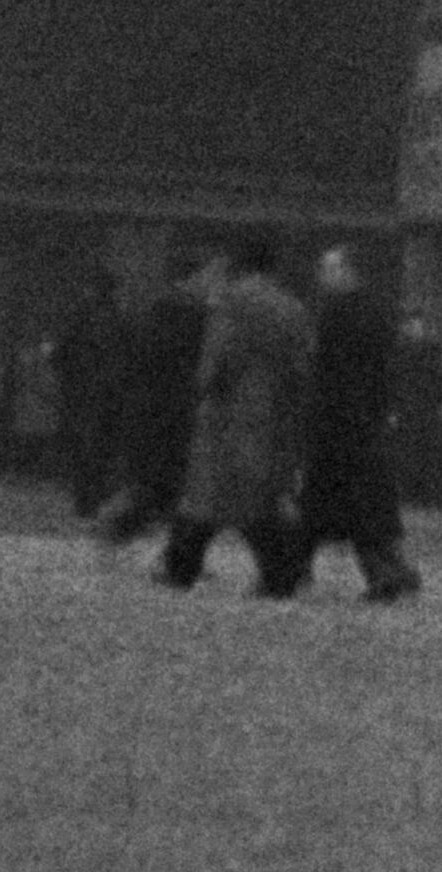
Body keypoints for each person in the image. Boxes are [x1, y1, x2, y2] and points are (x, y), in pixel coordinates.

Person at [163, 236, 316, 595]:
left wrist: (202, 386)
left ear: (239, 265)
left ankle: (179, 568)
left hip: (227, 412)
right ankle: (280, 576)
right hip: (272, 414)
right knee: (260, 499)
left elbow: (216, 359)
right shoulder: (291, 308)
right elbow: (301, 368)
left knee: (206, 498)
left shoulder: (229, 302)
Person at [285, 241, 421, 600]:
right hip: (366, 425)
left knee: (321, 505)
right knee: (364, 507)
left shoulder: (335, 315)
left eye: (329, 268)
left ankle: (296, 571)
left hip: (336, 425)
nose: (322, 275)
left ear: (347, 271)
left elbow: (325, 373)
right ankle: (388, 570)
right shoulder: (377, 312)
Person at [102, 254, 210, 548]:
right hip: (174, 408)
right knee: (171, 481)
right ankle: (171, 547)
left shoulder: (155, 310)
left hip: (152, 406)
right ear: (194, 276)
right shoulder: (191, 313)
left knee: (157, 480)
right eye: (206, 275)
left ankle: (126, 528)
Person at [49, 272, 130, 525]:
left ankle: (85, 504)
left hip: (82, 392)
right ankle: (100, 499)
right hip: (112, 393)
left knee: (83, 450)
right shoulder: (120, 320)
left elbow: (60, 353)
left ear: (91, 290)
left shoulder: (80, 320)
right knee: (104, 449)